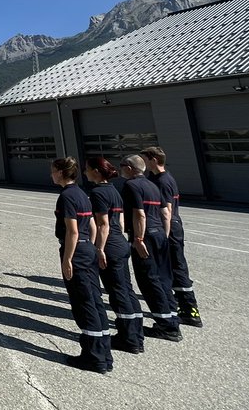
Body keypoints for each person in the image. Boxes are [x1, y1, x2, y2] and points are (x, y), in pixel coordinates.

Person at [51, 156, 113, 373]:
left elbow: (73, 231)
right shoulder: (82, 194)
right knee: (95, 300)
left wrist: (68, 259)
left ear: (60, 172)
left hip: (76, 251)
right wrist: (96, 248)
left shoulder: (67, 197)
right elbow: (94, 225)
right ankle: (104, 353)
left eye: (53, 171)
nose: (51, 175)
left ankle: (94, 357)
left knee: (83, 302)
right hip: (88, 248)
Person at [84, 157, 145, 354]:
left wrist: (99, 249)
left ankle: (129, 338)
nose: (85, 173)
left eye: (87, 169)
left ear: (95, 171)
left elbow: (103, 225)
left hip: (109, 245)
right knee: (126, 289)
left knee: (117, 292)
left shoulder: (98, 193)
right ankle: (137, 334)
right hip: (121, 243)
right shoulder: (114, 190)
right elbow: (118, 218)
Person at [120, 155, 182, 341]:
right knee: (163, 277)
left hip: (145, 236)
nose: (120, 169)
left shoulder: (131, 186)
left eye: (122, 166)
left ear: (130, 168)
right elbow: (165, 212)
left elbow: (139, 214)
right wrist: (164, 234)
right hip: (160, 235)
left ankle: (166, 326)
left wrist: (138, 239)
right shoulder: (152, 185)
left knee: (149, 280)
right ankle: (172, 316)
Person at [141, 146, 203, 328]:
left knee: (177, 267)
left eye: (144, 159)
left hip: (169, 228)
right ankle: (174, 305)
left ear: (153, 160)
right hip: (167, 226)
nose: (143, 163)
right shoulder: (154, 178)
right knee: (169, 268)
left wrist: (164, 237)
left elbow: (166, 211)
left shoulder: (163, 181)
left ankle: (190, 310)